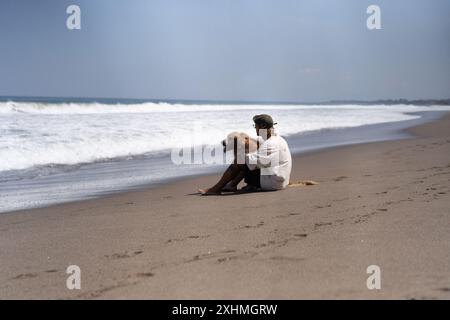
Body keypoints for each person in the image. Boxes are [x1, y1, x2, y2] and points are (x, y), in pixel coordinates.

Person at [199, 114, 292, 195]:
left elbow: (254, 163)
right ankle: (232, 185)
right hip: (280, 179)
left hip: (273, 183)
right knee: (245, 160)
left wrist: (241, 155)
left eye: (255, 126)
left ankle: (215, 189)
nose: (255, 128)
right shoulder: (278, 139)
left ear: (263, 126)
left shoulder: (271, 143)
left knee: (240, 161)